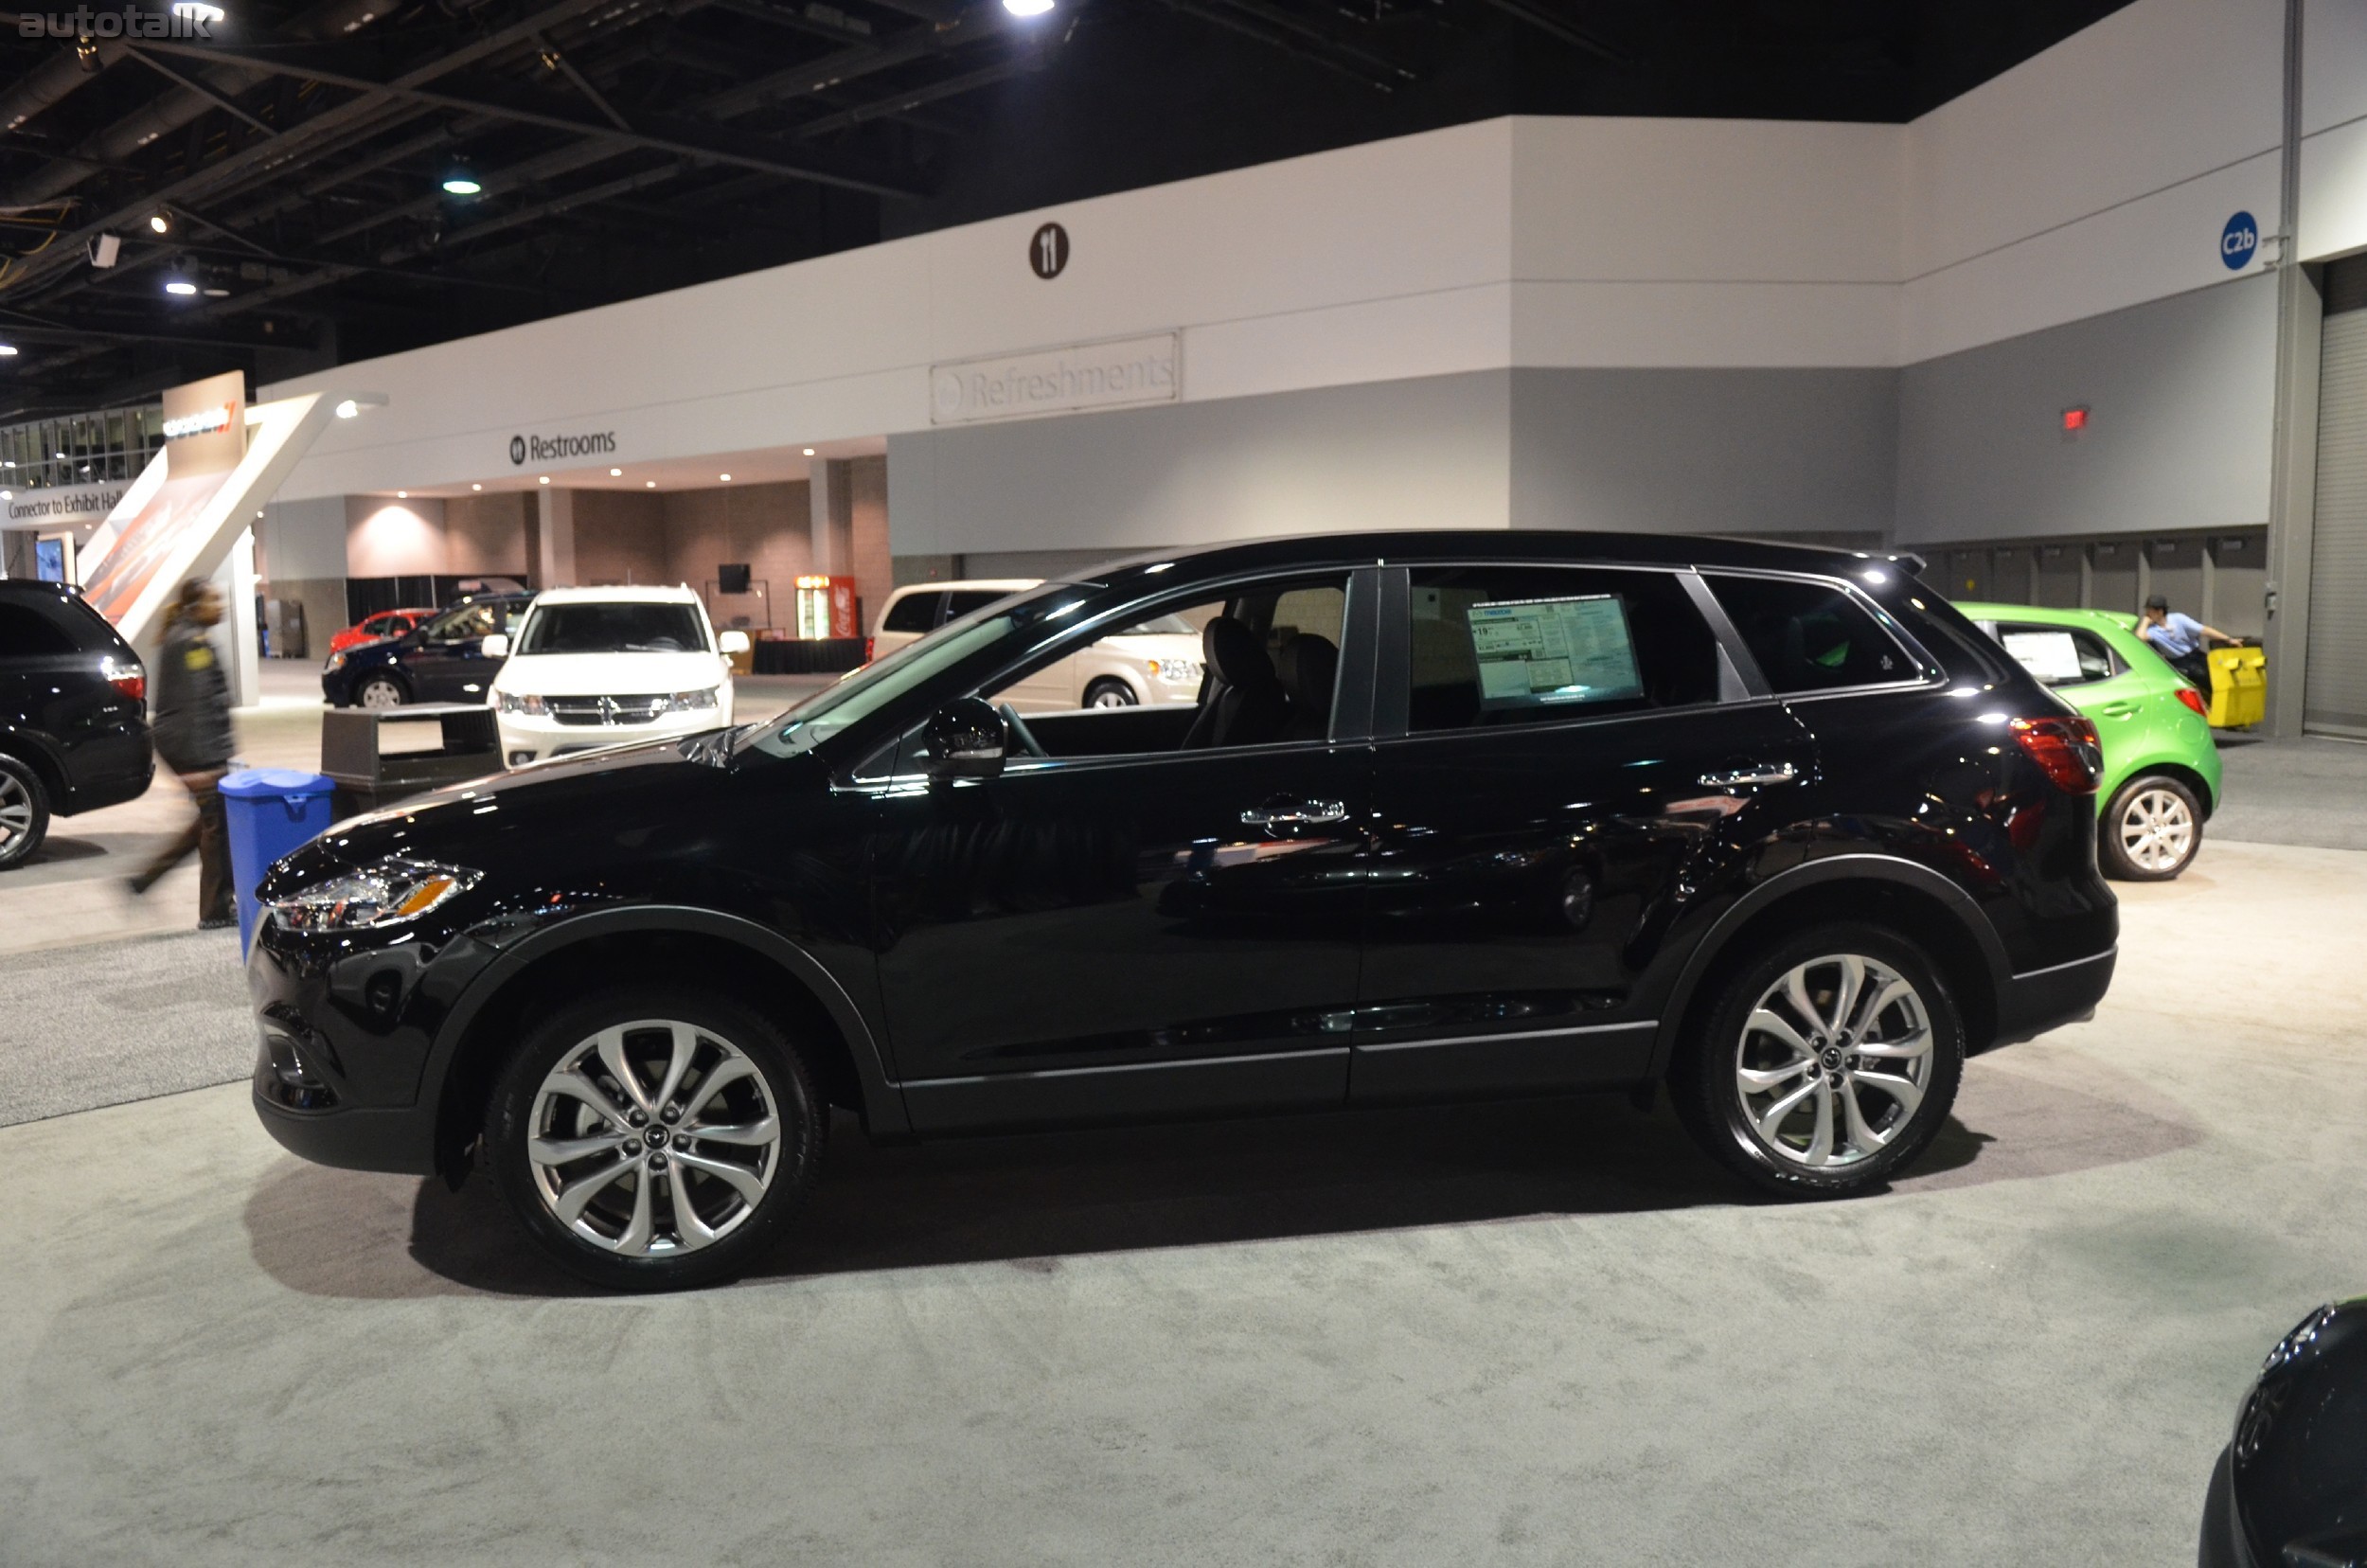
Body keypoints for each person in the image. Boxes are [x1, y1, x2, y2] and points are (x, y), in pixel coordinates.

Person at [130, 578, 237, 929]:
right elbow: (196, 706)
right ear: (195, 606)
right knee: (217, 827)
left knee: (208, 823)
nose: (220, 605)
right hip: (193, 749)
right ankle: (215, 911)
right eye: (214, 599)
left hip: (191, 746)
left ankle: (144, 880)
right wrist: (202, 766)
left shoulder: (189, 636)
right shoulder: (191, 643)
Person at [2137, 593, 2236, 699]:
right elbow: (2140, 637)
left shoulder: (2178, 619)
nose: (2147, 613)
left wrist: (2228, 639)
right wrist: (2145, 621)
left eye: (2150, 610)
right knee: (2201, 676)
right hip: (2178, 661)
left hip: (2195, 654)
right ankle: (2215, 701)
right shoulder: (2152, 630)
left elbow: (2204, 630)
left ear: (2160, 611)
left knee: (2217, 671)